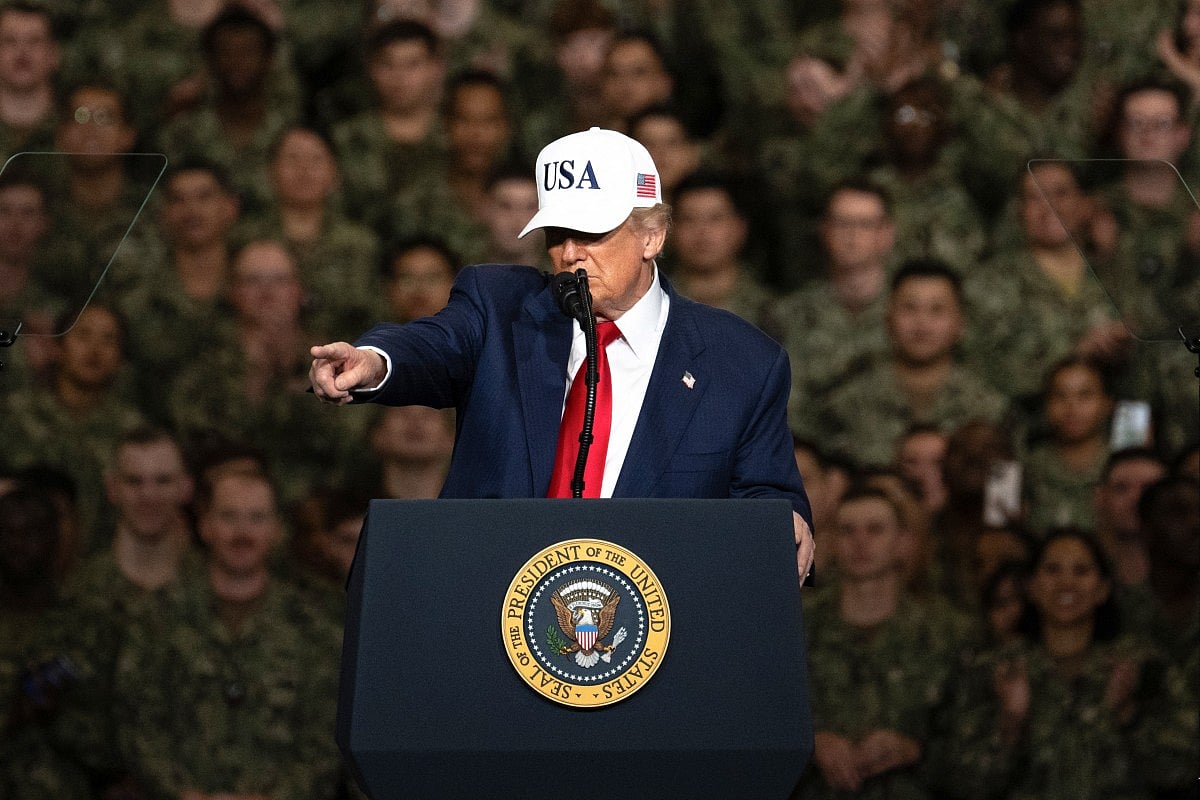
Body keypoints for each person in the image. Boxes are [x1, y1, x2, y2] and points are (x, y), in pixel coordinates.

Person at [310, 126, 815, 578]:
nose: (569, 253)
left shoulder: (740, 363)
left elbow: (767, 497)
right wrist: (375, 360)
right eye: (557, 234)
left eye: (592, 232)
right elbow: (433, 345)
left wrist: (782, 522)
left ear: (652, 235)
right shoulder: (500, 306)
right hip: (490, 616)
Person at [796, 485, 972, 799]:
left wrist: (914, 750)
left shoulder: (948, 630)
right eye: (847, 530)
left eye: (875, 530)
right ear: (831, 542)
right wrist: (811, 743)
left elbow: (972, 741)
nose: (860, 542)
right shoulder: (797, 624)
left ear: (903, 542)